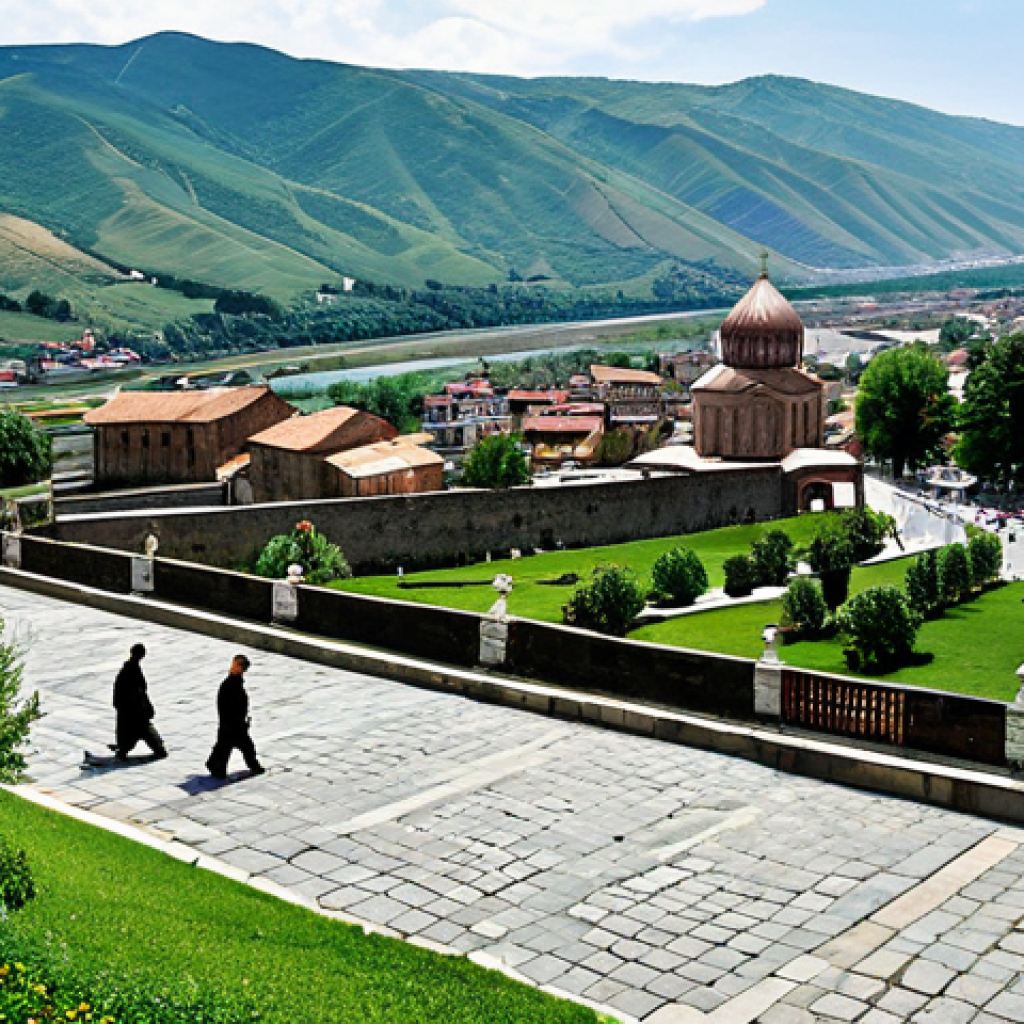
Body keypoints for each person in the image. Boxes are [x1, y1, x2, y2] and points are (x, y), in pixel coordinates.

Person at [206, 654, 265, 779]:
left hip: (230, 723)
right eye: (235, 664)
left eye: (237, 665)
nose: (234, 667)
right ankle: (253, 766)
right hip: (233, 724)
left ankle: (214, 765)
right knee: (243, 746)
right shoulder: (231, 684)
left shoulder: (232, 682)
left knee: (224, 746)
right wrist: (238, 722)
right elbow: (230, 706)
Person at [112, 644, 167, 760]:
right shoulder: (130, 671)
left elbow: (140, 692)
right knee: (141, 733)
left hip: (133, 711)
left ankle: (123, 750)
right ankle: (123, 751)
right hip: (133, 712)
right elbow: (136, 693)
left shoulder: (130, 670)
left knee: (130, 735)